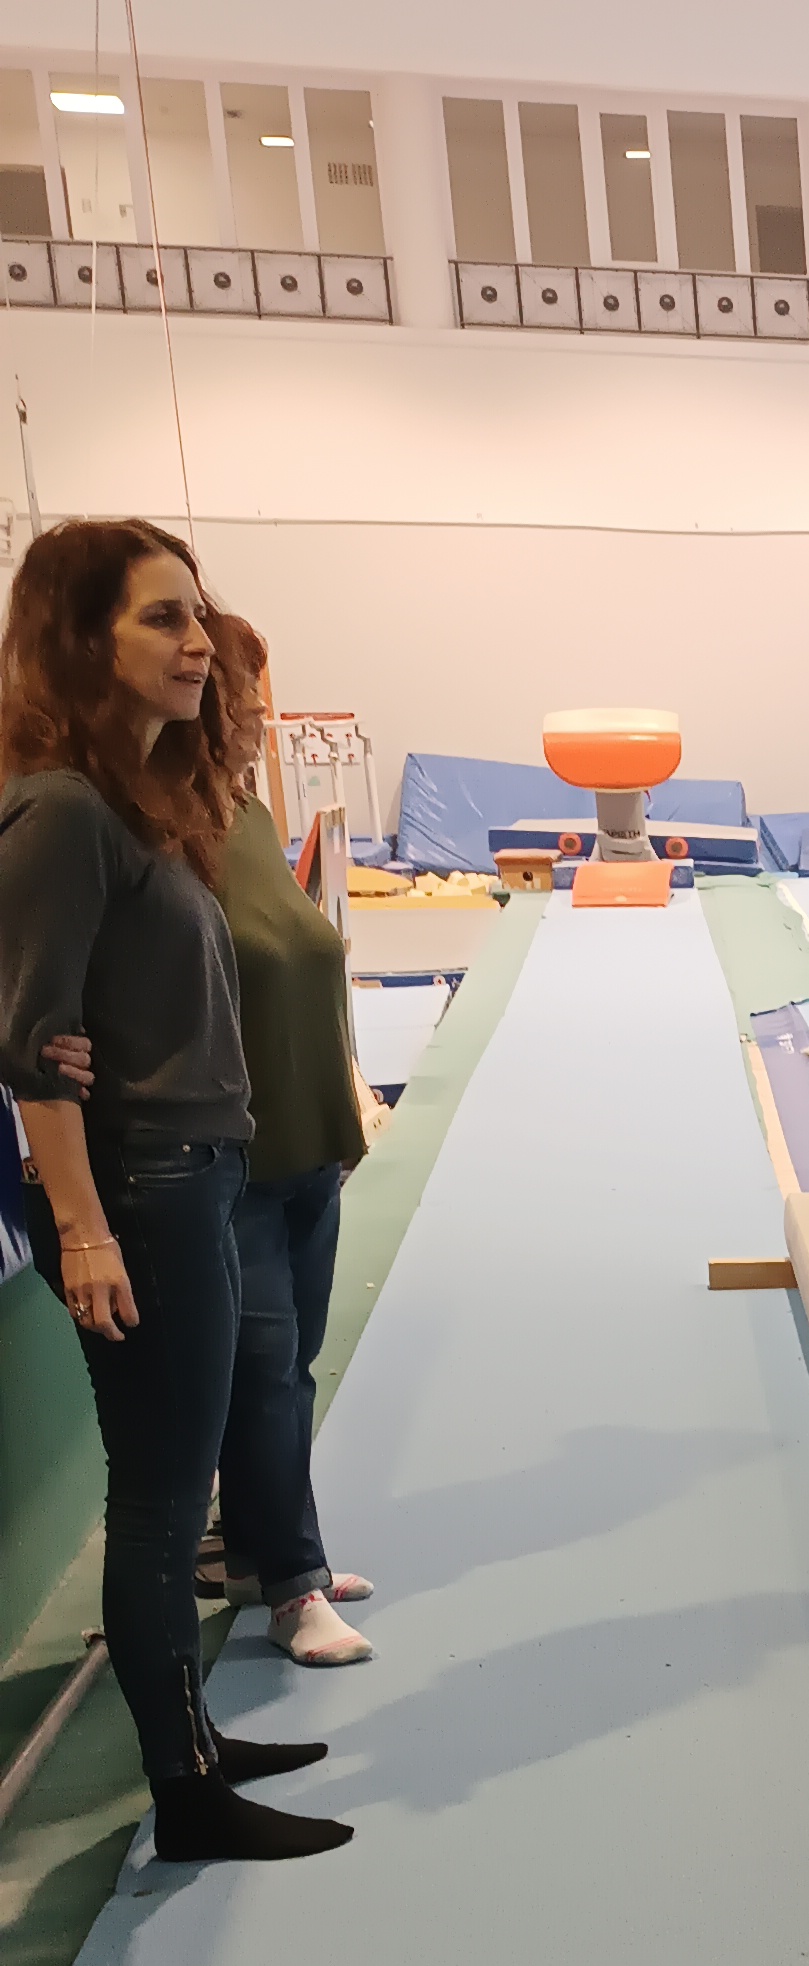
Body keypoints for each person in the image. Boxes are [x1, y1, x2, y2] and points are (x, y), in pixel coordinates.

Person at [0, 519, 350, 1861]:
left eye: (198, 615)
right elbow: (32, 1043)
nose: (198, 642)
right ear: (81, 639)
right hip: (141, 1194)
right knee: (157, 1505)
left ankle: (194, 1742)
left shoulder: (141, 804)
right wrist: (84, 1227)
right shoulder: (61, 810)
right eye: (163, 617)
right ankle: (188, 1795)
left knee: (175, 1480)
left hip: (192, 1173)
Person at [51, 607, 378, 1663]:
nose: (256, 721)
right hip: (223, 1154)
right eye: (242, 701)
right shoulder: (143, 827)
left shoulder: (244, 813)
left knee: (291, 1365)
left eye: (259, 701)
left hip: (306, 1137)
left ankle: (258, 1550)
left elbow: (294, 958)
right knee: (266, 1371)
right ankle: (293, 1585)